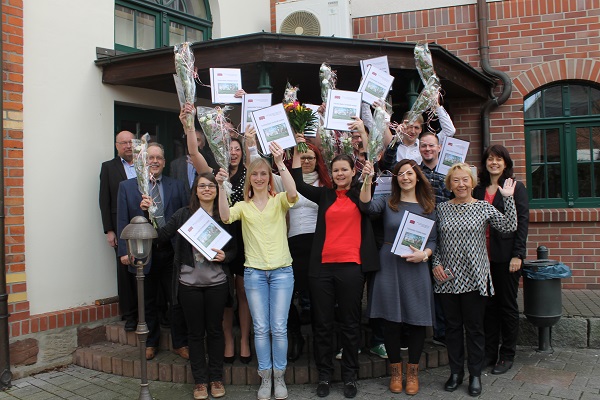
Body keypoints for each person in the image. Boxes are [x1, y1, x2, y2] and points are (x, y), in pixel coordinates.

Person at [292, 149, 380, 399]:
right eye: (336, 170)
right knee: (322, 324)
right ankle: (324, 374)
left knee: (350, 324)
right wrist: (298, 150)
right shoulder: (324, 194)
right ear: (331, 173)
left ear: (353, 172)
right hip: (322, 268)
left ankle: (350, 376)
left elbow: (366, 204)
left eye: (345, 169)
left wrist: (369, 177)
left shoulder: (359, 192)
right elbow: (298, 183)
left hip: (351, 267)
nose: (340, 173)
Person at [141, 173, 235, 400]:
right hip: (188, 284)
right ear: (195, 190)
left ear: (217, 189)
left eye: (210, 186)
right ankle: (200, 382)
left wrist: (226, 256)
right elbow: (160, 236)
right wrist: (148, 211)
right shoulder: (184, 214)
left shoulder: (225, 215)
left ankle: (216, 378)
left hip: (217, 284)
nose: (206, 189)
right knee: (194, 334)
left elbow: (237, 250)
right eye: (201, 186)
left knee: (214, 330)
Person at [217, 142, 297, 400]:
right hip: (254, 274)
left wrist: (280, 163)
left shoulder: (279, 201)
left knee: (279, 327)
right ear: (249, 178)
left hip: (282, 272)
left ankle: (279, 376)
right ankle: (265, 377)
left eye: (264, 174)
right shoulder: (243, 206)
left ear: (269, 178)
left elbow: (293, 193)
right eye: (255, 174)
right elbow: (225, 216)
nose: (260, 178)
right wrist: (220, 187)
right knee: (261, 329)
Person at [432, 163, 517, 397]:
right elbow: (435, 242)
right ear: (450, 184)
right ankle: (456, 373)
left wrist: (507, 198)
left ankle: (475, 375)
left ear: (472, 183)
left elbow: (509, 226)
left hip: (475, 278)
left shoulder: (482, 207)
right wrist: (435, 263)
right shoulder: (441, 209)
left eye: (465, 180)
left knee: (475, 329)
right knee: (452, 329)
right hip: (448, 278)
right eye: (456, 180)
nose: (461, 184)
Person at [180, 103, 253, 365]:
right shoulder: (213, 173)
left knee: (243, 292)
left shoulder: (248, 174)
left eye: (237, 149)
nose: (232, 153)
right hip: (216, 236)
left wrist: (249, 136)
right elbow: (192, 151)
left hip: (244, 237)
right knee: (223, 294)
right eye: (228, 148)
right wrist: (190, 123)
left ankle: (244, 339)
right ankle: (228, 340)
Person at [359, 159, 436, 395]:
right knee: (391, 321)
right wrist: (367, 180)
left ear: (417, 177)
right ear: (395, 179)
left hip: (416, 266)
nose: (405, 177)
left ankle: (412, 374)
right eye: (400, 174)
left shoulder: (428, 206)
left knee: (416, 320)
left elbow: (433, 240)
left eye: (409, 173)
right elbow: (366, 208)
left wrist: (425, 255)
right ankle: (395, 372)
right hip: (389, 263)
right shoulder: (387, 202)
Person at [116, 142, 189, 361]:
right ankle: (150, 342)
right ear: (142, 161)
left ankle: (180, 342)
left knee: (176, 299)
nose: (154, 162)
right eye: (150, 158)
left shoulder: (176, 186)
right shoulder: (127, 187)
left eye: (158, 158)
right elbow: (121, 220)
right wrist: (123, 251)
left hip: (171, 252)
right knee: (146, 300)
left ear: (164, 163)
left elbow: (186, 218)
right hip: (141, 252)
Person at [473, 145, 529, 375]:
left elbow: (522, 222)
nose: (494, 163)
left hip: (506, 258)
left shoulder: (515, 188)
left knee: (507, 306)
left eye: (498, 159)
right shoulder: (477, 190)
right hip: (481, 259)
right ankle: (489, 353)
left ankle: (507, 354)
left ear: (505, 163)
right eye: (490, 159)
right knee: (488, 307)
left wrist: (518, 254)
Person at [286, 142, 332, 362]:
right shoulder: (287, 181)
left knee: (317, 296)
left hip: (318, 244)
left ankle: (319, 341)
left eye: (310, 158)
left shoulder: (326, 183)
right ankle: (295, 335)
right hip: (292, 242)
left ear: (317, 160)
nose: (306, 161)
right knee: (287, 295)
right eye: (302, 157)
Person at [99, 130, 138, 331]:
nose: (128, 146)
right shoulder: (108, 168)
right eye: (123, 143)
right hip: (121, 228)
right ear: (117, 146)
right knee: (125, 272)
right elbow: (104, 200)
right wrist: (109, 230)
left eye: (131, 142)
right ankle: (130, 315)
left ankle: (151, 312)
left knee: (147, 270)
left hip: (144, 227)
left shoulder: (145, 164)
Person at [419, 132, 453, 346]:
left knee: (442, 282)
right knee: (422, 283)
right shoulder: (415, 173)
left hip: (445, 235)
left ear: (440, 148)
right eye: (423, 146)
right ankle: (422, 327)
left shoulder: (449, 174)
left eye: (431, 146)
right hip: (421, 234)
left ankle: (442, 331)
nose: (428, 149)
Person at [380, 105, 455, 170]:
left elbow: (450, 131)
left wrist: (437, 106)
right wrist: (380, 112)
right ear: (403, 125)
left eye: (416, 128)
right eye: (410, 127)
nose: (413, 131)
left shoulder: (425, 146)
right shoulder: (393, 143)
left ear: (420, 130)